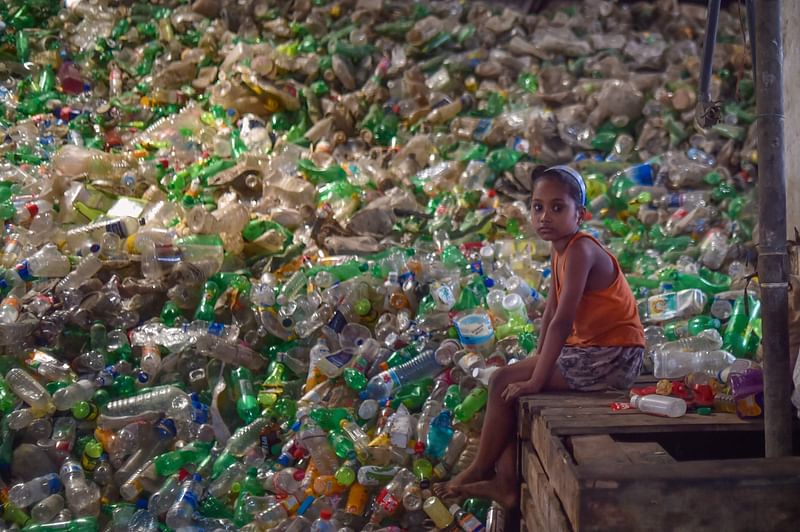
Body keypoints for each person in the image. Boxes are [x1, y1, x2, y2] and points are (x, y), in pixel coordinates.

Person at [434, 165, 645, 511]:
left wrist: (536, 378)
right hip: (590, 350)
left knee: (505, 379)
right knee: (505, 382)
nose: (545, 216)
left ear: (581, 213)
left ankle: (480, 470)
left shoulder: (581, 249)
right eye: (537, 207)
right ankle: (503, 486)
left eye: (558, 207)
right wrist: (535, 362)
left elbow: (563, 321)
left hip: (614, 356)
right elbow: (549, 312)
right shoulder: (560, 248)